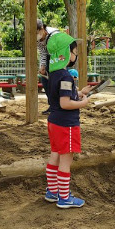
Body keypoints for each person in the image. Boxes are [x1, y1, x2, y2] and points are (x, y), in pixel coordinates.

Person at [44, 33, 93, 209]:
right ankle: (64, 198)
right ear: (65, 53)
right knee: (66, 160)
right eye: (74, 51)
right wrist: (83, 103)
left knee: (55, 155)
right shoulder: (65, 76)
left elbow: (60, 97)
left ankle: (52, 192)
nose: (76, 54)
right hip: (66, 124)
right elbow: (65, 104)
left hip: (54, 122)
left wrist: (79, 93)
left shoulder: (55, 74)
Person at [37, 19, 60, 113]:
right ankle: (53, 105)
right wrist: (42, 65)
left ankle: (60, 106)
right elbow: (42, 52)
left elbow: (60, 52)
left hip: (60, 58)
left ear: (42, 29)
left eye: (36, 32)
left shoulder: (54, 35)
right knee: (45, 82)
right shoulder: (37, 39)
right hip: (48, 58)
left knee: (56, 83)